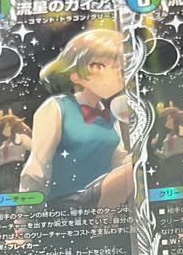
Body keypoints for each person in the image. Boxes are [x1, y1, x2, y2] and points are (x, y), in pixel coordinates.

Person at [19, 29, 131, 208]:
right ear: (76, 76)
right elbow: (37, 167)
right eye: (99, 65)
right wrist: (24, 220)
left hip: (106, 203)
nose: (119, 73)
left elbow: (120, 161)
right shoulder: (57, 107)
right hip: (67, 203)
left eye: (122, 67)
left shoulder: (109, 115)